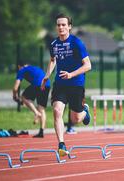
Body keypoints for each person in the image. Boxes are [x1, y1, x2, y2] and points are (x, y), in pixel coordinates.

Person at [41, 13, 92, 156]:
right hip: (60, 84)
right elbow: (53, 60)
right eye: (58, 25)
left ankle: (84, 110)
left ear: (69, 27)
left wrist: (71, 74)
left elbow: (88, 65)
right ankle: (61, 145)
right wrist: (47, 75)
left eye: (63, 25)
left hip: (76, 84)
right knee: (57, 111)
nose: (61, 27)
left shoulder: (77, 43)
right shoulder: (54, 44)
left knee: (76, 119)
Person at [12, 61, 50, 138]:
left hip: (38, 84)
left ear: (19, 66)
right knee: (41, 108)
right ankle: (41, 132)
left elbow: (15, 87)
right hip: (47, 84)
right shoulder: (32, 67)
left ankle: (36, 113)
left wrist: (14, 96)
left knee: (23, 97)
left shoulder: (21, 70)